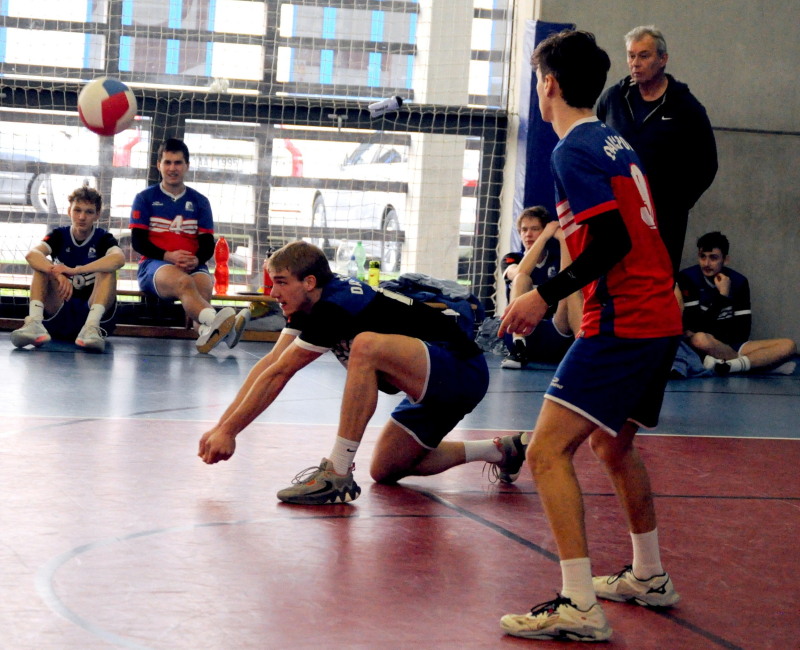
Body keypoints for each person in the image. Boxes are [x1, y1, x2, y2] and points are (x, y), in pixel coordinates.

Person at [498, 30, 683, 642]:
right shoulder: (614, 141)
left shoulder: (572, 150)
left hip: (625, 321)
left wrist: (542, 295)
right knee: (611, 445)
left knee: (547, 452)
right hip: (657, 315)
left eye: (536, 77)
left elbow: (613, 242)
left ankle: (578, 604)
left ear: (549, 84)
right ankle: (649, 575)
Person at [197, 240, 527, 503]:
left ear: (309, 282)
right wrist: (222, 427)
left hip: (461, 370)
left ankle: (337, 473)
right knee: (386, 468)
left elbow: (281, 374)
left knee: (366, 346)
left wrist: (230, 432)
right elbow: (271, 364)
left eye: (281, 283)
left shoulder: (334, 305)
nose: (273, 293)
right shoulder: (309, 303)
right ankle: (501, 450)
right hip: (431, 383)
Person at [596, 25, 717, 276]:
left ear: (663, 59)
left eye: (644, 56)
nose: (635, 63)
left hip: (663, 219)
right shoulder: (613, 99)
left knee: (657, 281)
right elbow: (594, 147)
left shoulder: (686, 107)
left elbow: (707, 164)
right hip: (617, 213)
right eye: (631, 56)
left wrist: (676, 203)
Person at [130, 137, 249, 354]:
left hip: (192, 265)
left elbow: (207, 244)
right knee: (185, 283)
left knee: (203, 286)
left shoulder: (200, 201)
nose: (172, 168)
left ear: (187, 166)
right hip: (155, 265)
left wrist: (196, 259)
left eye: (178, 163)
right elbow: (138, 242)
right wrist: (169, 256)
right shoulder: (145, 198)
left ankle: (204, 332)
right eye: (167, 162)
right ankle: (223, 326)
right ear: (158, 165)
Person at [11, 186, 124, 353]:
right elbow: (32, 255)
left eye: (89, 212)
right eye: (77, 210)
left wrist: (76, 270)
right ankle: (34, 324)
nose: (82, 217)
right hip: (60, 309)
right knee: (41, 265)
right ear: (69, 211)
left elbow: (119, 259)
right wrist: (57, 272)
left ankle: (91, 327)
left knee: (108, 268)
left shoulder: (103, 238)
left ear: (97, 215)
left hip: (92, 311)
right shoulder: (59, 235)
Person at [679, 231, 796, 375]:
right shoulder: (688, 278)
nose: (706, 263)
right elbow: (693, 327)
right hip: (705, 344)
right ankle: (759, 365)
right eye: (702, 256)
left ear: (725, 260)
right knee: (699, 339)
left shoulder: (739, 281)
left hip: (733, 344)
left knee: (789, 345)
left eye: (713, 258)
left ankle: (731, 364)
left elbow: (743, 331)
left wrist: (723, 343)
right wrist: (722, 296)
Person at [500, 206, 582, 369]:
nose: (528, 234)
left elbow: (568, 278)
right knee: (521, 278)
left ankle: (583, 346)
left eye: (535, 229)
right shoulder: (511, 258)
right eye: (524, 230)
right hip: (522, 333)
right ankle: (518, 348)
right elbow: (520, 272)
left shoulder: (555, 259)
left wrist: (563, 238)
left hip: (556, 331)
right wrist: (543, 237)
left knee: (570, 283)